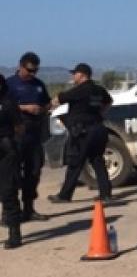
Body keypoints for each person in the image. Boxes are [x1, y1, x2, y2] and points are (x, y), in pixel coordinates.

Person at [48, 63, 114, 203]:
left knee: (75, 163)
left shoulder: (79, 90)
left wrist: (47, 105)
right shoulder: (98, 89)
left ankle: (64, 195)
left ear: (82, 75)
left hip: (83, 132)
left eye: (75, 74)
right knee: (97, 161)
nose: (73, 76)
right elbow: (109, 102)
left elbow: (59, 99)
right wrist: (99, 114)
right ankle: (106, 194)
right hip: (98, 129)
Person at [5, 52, 50, 222]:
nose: (32, 74)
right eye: (29, 70)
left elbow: (46, 102)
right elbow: (4, 106)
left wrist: (43, 109)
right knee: (12, 174)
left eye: (35, 71)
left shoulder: (38, 85)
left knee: (34, 171)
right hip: (15, 135)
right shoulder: (9, 84)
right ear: (20, 66)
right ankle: (9, 212)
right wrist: (24, 108)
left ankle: (29, 209)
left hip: (34, 134)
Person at [0, 75, 24, 249]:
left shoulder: (8, 103)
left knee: (8, 192)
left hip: (6, 151)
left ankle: (14, 233)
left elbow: (19, 127)